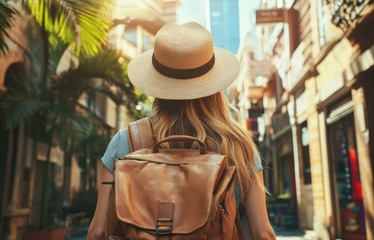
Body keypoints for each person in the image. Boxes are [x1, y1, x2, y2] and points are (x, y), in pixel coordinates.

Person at [87, 22, 276, 240]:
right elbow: (262, 232)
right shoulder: (238, 145)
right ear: (213, 85)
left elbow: (98, 231)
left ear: (158, 83)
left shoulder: (126, 141)